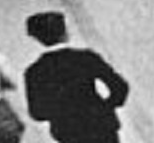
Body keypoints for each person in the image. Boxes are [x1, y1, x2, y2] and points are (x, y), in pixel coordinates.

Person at [24, 12, 129, 143]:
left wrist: (62, 114)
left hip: (69, 132)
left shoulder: (34, 72)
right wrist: (104, 107)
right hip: (101, 126)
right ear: (65, 33)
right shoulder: (86, 57)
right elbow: (120, 87)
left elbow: (37, 112)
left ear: (37, 38)